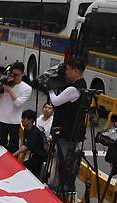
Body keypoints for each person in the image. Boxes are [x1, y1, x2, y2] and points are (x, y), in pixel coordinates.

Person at [49, 57, 87, 191]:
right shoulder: (82, 85)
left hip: (66, 132)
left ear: (75, 71)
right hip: (73, 131)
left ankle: (59, 188)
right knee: (64, 161)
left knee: (62, 161)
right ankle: (60, 186)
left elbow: (56, 101)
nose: (66, 73)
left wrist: (50, 88)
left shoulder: (74, 89)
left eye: (68, 70)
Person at [0, 62, 32, 153]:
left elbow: (18, 103)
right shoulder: (6, 82)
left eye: (17, 75)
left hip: (14, 122)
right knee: (1, 145)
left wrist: (9, 90)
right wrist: (0, 91)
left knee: (13, 147)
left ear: (23, 74)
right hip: (1, 119)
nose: (14, 77)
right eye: (13, 74)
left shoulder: (27, 88)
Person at [14, 109, 48, 179]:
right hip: (33, 155)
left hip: (40, 157)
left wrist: (13, 155)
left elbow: (26, 146)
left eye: (24, 118)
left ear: (30, 120)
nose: (22, 120)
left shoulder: (34, 132)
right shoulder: (26, 129)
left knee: (31, 173)